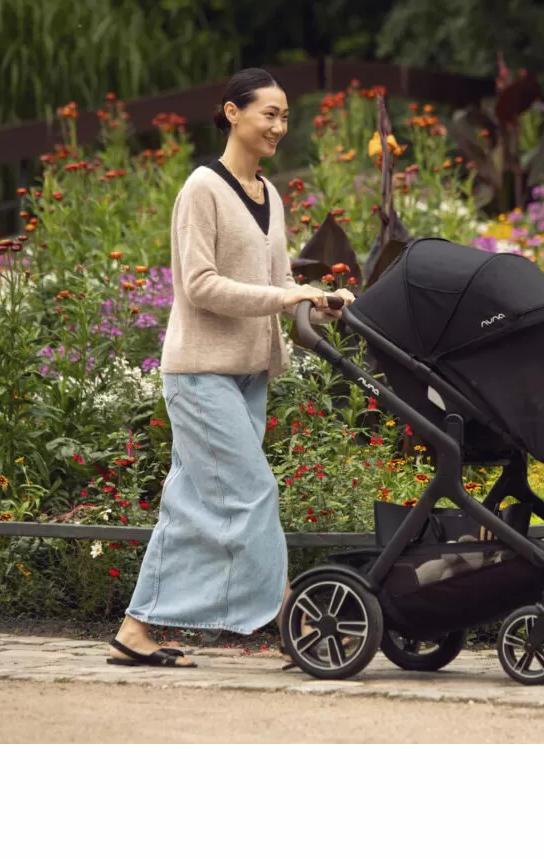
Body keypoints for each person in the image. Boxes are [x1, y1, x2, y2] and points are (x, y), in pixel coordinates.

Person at [107, 68, 353, 668]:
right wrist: (285, 296)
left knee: (188, 504)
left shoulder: (270, 194)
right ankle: (293, 620)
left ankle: (135, 629)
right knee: (253, 491)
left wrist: (313, 301)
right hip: (199, 374)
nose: (279, 126)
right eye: (269, 113)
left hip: (247, 374)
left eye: (285, 116)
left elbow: (277, 283)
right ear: (232, 113)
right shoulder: (202, 189)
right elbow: (200, 285)